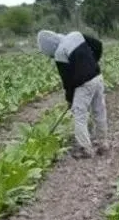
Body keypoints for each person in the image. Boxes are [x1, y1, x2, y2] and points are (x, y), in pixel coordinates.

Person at [37, 30, 108, 159]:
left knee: (79, 115)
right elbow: (98, 45)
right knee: (99, 110)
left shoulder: (59, 53)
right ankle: (103, 143)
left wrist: (70, 100)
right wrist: (93, 63)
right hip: (97, 76)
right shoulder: (76, 35)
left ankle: (85, 149)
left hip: (84, 84)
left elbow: (67, 81)